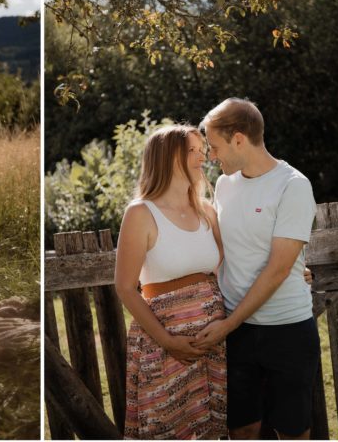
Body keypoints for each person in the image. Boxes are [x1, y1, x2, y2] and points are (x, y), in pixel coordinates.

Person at [193, 98, 318, 440]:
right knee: (242, 428)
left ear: (238, 138)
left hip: (287, 329)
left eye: (215, 146)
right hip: (238, 332)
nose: (212, 157)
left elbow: (278, 269)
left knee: (292, 431)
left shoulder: (293, 185)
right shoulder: (224, 185)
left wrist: (227, 325)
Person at [115, 124, 228, 440]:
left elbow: (230, 269)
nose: (201, 158)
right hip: (166, 347)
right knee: (170, 426)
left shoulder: (207, 211)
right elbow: (125, 287)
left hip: (214, 345)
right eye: (191, 151)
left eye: (202, 151)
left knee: (214, 429)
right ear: (165, 158)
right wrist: (168, 341)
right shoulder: (141, 213)